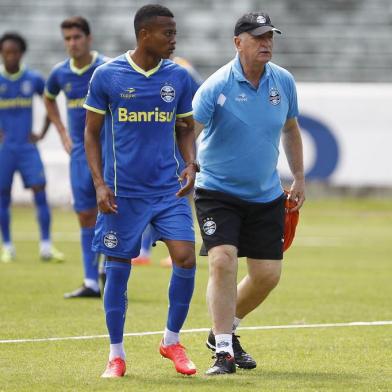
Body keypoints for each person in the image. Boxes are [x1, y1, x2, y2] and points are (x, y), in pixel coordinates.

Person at [83, 4, 198, 378]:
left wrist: (190, 162)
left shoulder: (177, 78)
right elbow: (91, 133)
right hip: (123, 193)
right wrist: (100, 184)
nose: (174, 39)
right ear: (145, 34)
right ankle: (116, 354)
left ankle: (171, 340)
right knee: (117, 269)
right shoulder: (108, 76)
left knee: (186, 258)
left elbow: (185, 127)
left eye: (175, 32)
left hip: (169, 190)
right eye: (168, 33)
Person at [192, 11, 306, 375]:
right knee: (223, 259)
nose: (266, 43)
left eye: (270, 36)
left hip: (265, 193)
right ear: (237, 42)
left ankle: (223, 331)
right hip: (217, 190)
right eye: (258, 37)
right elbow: (186, 132)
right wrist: (182, 168)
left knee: (268, 275)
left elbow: (290, 129)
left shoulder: (283, 82)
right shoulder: (216, 85)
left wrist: (299, 177)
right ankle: (223, 352)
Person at [44, 17, 107, 298]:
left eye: (77, 37)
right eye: (67, 38)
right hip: (80, 153)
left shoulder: (105, 68)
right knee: (84, 214)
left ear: (89, 38)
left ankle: (109, 267)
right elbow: (48, 98)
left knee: (112, 210)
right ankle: (91, 281)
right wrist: (61, 132)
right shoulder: (59, 73)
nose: (72, 43)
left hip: (110, 151)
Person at [132, 55, 202, 267]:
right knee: (148, 194)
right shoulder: (143, 69)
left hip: (179, 144)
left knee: (180, 194)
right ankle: (143, 250)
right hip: (154, 145)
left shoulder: (183, 69)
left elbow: (201, 100)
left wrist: (186, 127)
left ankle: (177, 250)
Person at [0, 32, 64, 263]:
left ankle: (46, 246)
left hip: (28, 149)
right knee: (3, 197)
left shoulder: (33, 79)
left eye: (14, 52)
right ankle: (7, 246)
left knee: (40, 193)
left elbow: (50, 102)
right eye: (6, 52)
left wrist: (43, 132)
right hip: (4, 150)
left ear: (21, 53)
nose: (10, 56)